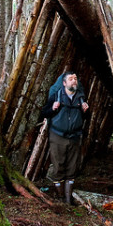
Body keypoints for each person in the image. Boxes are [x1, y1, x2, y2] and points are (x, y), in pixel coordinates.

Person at [42, 72, 89, 204]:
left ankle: (68, 200)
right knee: (58, 166)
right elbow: (44, 112)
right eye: (70, 79)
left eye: (75, 78)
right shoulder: (56, 96)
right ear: (64, 83)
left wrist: (86, 111)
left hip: (74, 136)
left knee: (72, 167)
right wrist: (52, 108)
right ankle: (61, 197)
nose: (74, 81)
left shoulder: (81, 97)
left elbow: (85, 118)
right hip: (58, 136)